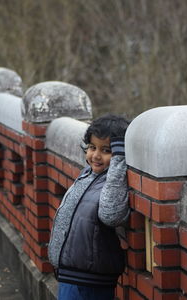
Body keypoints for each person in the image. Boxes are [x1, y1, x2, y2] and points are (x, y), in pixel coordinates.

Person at [48, 114, 130, 300]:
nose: (96, 156)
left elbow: (111, 215)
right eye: (92, 147)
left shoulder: (114, 181)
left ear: (120, 153)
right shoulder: (88, 174)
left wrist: (119, 161)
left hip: (90, 278)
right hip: (70, 272)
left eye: (106, 150)